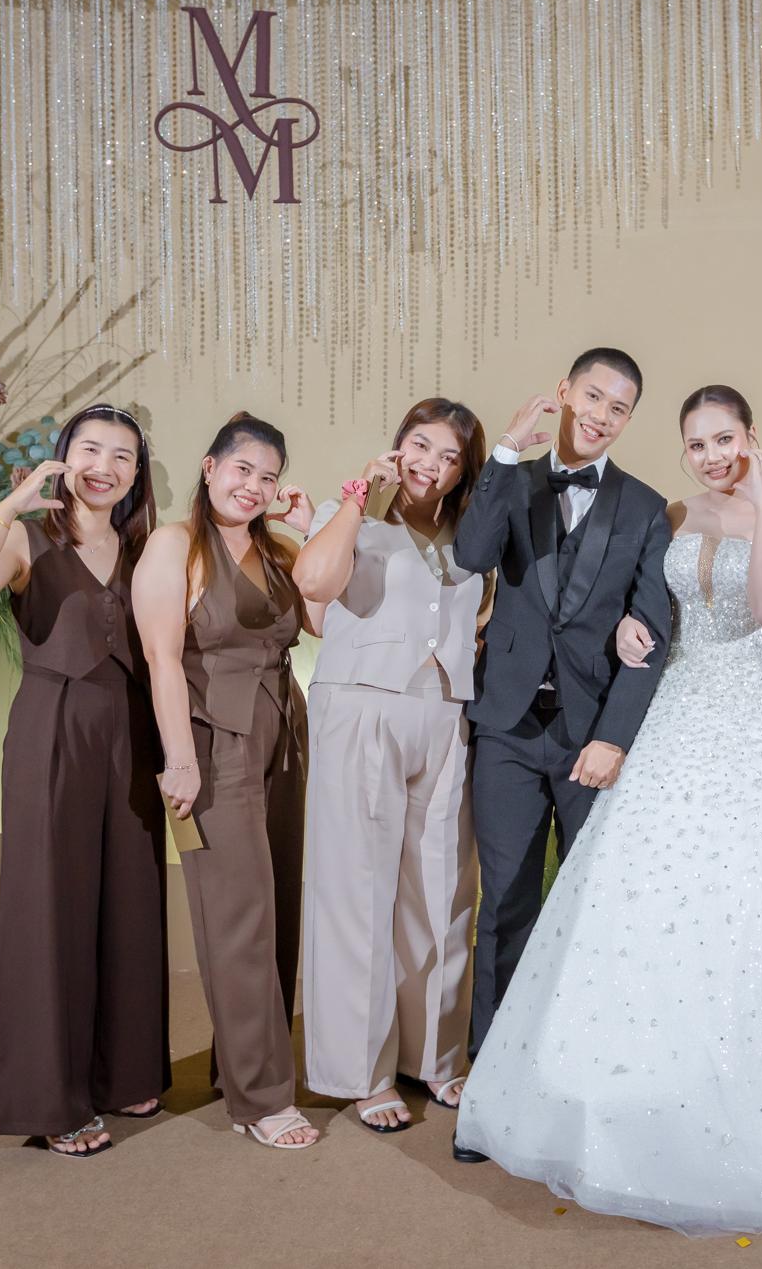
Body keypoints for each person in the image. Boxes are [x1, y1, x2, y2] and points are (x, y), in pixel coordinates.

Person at [456, 385, 762, 1236]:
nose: (712, 456)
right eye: (697, 443)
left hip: (758, 716)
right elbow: (643, 602)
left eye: (725, 439)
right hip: (676, 709)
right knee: (652, 901)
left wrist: (760, 506)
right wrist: (629, 628)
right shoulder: (671, 511)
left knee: (761, 899)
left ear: (750, 437)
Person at [449, 346, 674, 1141]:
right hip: (507, 730)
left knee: (590, 913)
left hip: (590, 739)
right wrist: (506, 451)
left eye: (619, 406)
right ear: (564, 393)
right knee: (505, 905)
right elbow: (470, 555)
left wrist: (614, 737)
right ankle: (491, 1092)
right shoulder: (514, 480)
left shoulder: (646, 507)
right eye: (593, 396)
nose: (602, 414)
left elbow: (655, 632)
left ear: (629, 418)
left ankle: (581, 1086)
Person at [0, 404, 169, 1158]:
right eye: (90, 449)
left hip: (133, 730)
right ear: (63, 457)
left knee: (131, 900)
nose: (105, 466)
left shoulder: (146, 547)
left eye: (123, 456)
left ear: (137, 473)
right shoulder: (25, 536)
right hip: (53, 730)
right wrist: (7, 506)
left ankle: (123, 1071)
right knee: (49, 908)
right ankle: (51, 1100)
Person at [293, 398, 490, 1134]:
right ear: (397, 445)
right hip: (360, 706)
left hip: (445, 713)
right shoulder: (346, 512)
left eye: (449, 456)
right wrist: (356, 499)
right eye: (421, 445)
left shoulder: (469, 535)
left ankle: (435, 1055)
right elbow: (315, 586)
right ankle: (361, 1072)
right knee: (357, 889)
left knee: (443, 892)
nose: (431, 465)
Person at [132, 412, 320, 1150]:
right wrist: (179, 758)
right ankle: (261, 1098)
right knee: (236, 917)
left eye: (269, 477)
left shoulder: (278, 548)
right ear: (210, 467)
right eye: (243, 469)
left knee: (279, 911)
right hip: (214, 743)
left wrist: (314, 530)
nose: (255, 486)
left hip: (286, 735)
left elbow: (324, 621)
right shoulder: (174, 545)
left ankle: (236, 1067)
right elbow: (161, 659)